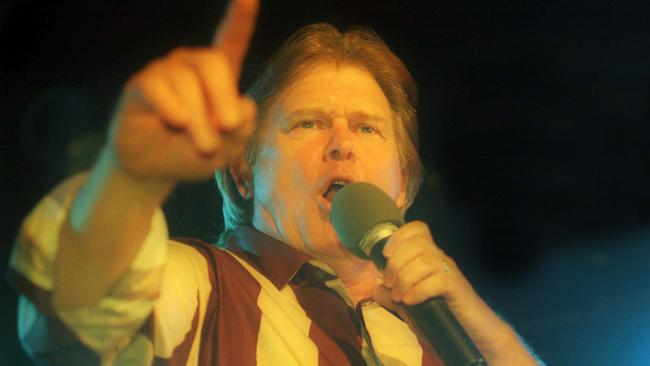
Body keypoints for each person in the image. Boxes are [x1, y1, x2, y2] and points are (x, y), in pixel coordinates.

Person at [8, 0, 543, 364]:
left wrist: (477, 323)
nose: (341, 142)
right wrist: (128, 183)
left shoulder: (434, 338)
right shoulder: (204, 286)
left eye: (367, 127)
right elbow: (72, 319)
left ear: (403, 185)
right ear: (243, 174)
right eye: (307, 123)